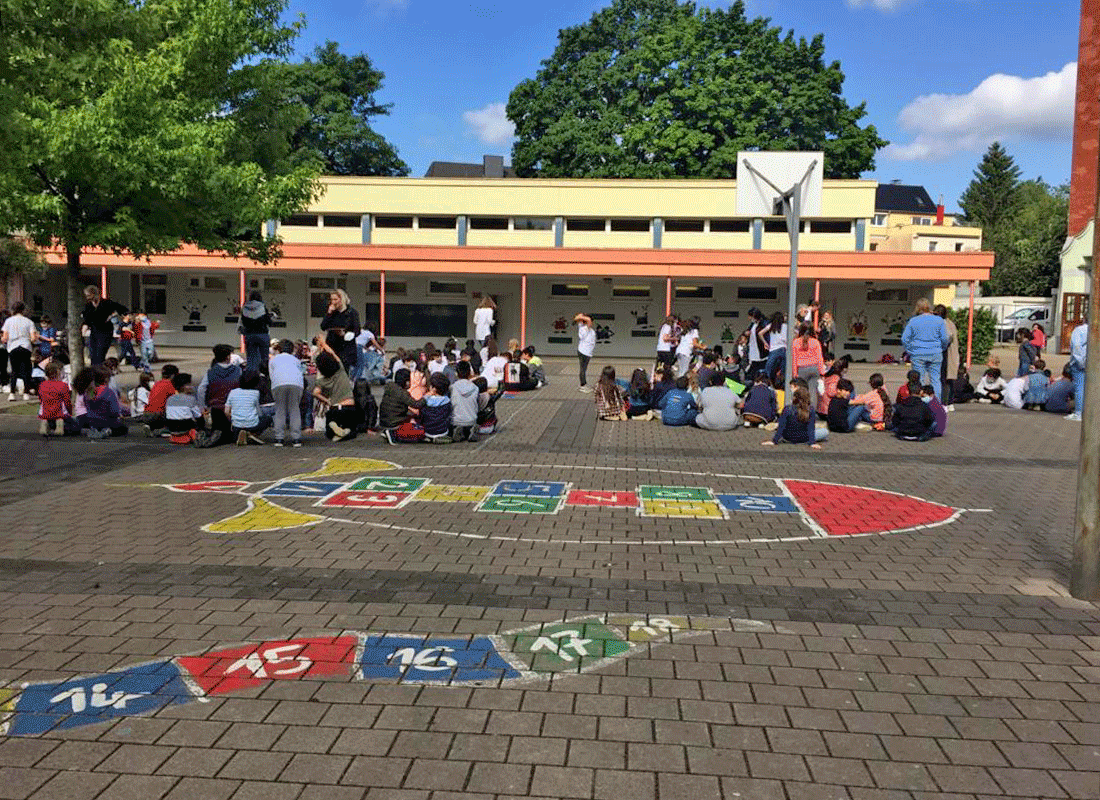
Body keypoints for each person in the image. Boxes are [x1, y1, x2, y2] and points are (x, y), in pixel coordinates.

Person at [901, 298, 949, 401]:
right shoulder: (939, 320)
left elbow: (904, 339)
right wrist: (942, 348)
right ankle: (936, 404)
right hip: (935, 352)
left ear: (918, 308)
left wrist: (910, 350)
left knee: (919, 379)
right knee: (936, 380)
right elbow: (945, 338)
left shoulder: (913, 321)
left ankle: (921, 402)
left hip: (918, 353)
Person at [197, 344, 241, 442]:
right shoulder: (238, 371)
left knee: (217, 428)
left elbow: (201, 389)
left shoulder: (210, 372)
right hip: (233, 408)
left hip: (215, 408)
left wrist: (202, 406)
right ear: (228, 357)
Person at [313, 351, 359, 441]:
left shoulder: (322, 381)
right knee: (353, 432)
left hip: (335, 408)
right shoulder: (341, 371)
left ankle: (334, 428)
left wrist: (327, 401)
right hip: (349, 408)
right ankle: (345, 431)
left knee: (328, 434)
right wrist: (324, 344)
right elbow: (334, 354)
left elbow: (315, 393)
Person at [269, 339, 304, 447]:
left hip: (278, 384)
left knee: (280, 410)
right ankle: (296, 439)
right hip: (296, 384)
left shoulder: (273, 360)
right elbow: (301, 372)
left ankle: (279, 438)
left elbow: (271, 375)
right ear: (292, 349)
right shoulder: (296, 360)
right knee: (294, 410)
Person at [76, 364, 127, 438]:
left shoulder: (88, 392)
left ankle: (94, 430)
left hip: (92, 422)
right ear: (106, 379)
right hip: (107, 421)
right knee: (123, 428)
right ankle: (107, 431)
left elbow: (88, 409)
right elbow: (114, 411)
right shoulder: (108, 392)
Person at [81, 285, 127, 366]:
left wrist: (113, 315)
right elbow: (87, 320)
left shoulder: (107, 303)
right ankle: (95, 371)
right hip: (94, 332)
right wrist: (83, 330)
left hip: (105, 332)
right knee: (93, 355)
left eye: (89, 295)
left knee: (100, 354)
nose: (87, 297)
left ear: (94, 294)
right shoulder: (88, 306)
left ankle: (100, 372)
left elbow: (123, 310)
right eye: (86, 296)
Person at [319, 288, 360, 375]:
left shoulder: (351, 313)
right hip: (332, 344)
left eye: (335, 299)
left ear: (342, 299)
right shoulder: (332, 313)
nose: (333, 302)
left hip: (346, 347)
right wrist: (329, 313)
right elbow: (323, 326)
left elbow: (357, 329)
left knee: (344, 371)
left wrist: (348, 334)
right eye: (332, 299)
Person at [1, 302, 37, 400]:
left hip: (13, 347)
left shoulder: (8, 321)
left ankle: (12, 393)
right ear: (23, 310)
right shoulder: (29, 322)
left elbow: (4, 337)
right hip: (26, 346)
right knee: (26, 370)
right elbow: (33, 338)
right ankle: (26, 393)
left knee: (14, 370)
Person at [379, 368, 426, 444]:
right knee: (419, 432)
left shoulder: (390, 387)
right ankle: (393, 433)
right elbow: (416, 404)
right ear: (406, 381)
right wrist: (426, 398)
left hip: (385, 420)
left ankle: (388, 431)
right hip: (394, 422)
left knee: (412, 416)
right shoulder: (402, 393)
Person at [226, 370, 271, 445]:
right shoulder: (256, 393)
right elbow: (259, 413)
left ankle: (241, 435)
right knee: (268, 419)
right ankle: (252, 434)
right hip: (252, 424)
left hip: (236, 425)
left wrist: (232, 421)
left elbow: (226, 411)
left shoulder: (232, 392)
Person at [792, 324, 826, 410]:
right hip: (814, 369)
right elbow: (819, 358)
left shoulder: (795, 342)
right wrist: (822, 372)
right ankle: (811, 412)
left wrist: (795, 373)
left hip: (801, 369)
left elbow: (794, 359)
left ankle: (801, 411)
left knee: (801, 393)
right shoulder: (815, 342)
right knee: (812, 392)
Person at [38, 362, 78, 436]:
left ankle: (45, 423)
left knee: (49, 417)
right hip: (60, 414)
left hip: (45, 413)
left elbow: (41, 399)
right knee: (76, 426)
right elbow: (67, 402)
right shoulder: (63, 385)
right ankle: (60, 424)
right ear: (58, 372)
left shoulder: (42, 385)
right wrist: (70, 412)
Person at [164, 373, 205, 444]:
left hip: (172, 428)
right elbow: (198, 417)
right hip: (186, 428)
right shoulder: (190, 399)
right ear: (183, 387)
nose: (191, 387)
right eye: (189, 385)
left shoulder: (169, 399)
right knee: (200, 419)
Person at [139, 364, 178, 436]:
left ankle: (151, 426)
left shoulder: (157, 384)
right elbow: (177, 400)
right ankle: (163, 430)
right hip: (158, 415)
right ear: (173, 375)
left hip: (146, 414)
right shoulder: (169, 385)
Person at [238, 291, 271, 374]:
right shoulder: (262, 307)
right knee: (264, 358)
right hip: (262, 334)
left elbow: (243, 322)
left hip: (250, 335)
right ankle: (264, 376)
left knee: (251, 358)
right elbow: (268, 321)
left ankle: (251, 376)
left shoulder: (245, 307)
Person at [933, 304, 959, 410]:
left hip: (945, 354)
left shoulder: (943, 324)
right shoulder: (950, 323)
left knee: (942, 379)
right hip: (951, 354)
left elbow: (947, 338)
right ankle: (950, 402)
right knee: (949, 379)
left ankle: (944, 403)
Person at [450, 361, 480, 442]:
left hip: (456, 421)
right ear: (470, 373)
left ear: (456, 373)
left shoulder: (452, 387)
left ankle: (459, 431)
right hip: (472, 419)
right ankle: (471, 430)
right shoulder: (475, 388)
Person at [420, 372, 453, 443]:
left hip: (428, 431)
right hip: (443, 431)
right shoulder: (447, 401)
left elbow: (422, 416)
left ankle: (429, 437)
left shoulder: (425, 400)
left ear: (432, 387)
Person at [1066, 318, 1087, 421]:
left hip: (1079, 363)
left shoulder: (1079, 330)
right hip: (1093, 362)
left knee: (1079, 388)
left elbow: (1076, 347)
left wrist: (1080, 362)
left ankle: (1079, 412)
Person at [758, 312, 787, 384]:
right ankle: (782, 385)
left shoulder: (771, 325)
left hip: (773, 350)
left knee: (768, 370)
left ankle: (766, 384)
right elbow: (795, 333)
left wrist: (765, 343)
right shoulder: (786, 326)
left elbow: (760, 333)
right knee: (784, 371)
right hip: (784, 349)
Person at [575, 313, 596, 392]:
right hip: (584, 352)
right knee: (583, 369)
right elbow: (588, 320)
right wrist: (583, 316)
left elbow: (578, 318)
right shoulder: (585, 328)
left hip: (586, 352)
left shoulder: (582, 326)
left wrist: (581, 316)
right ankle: (582, 385)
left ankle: (584, 383)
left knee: (584, 369)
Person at [745, 308, 767, 381]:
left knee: (758, 371)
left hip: (760, 352)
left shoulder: (764, 323)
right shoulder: (753, 324)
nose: (749, 318)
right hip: (753, 351)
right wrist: (747, 333)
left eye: (750, 316)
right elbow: (748, 331)